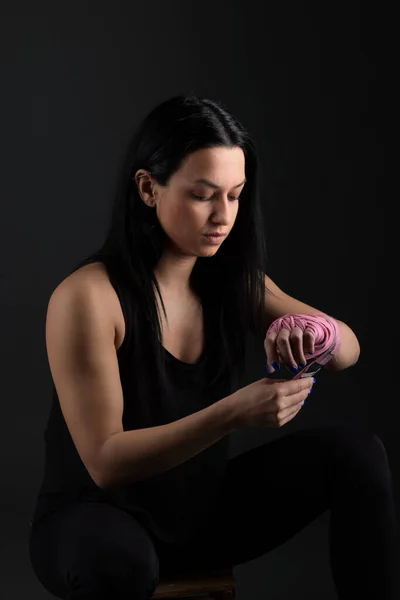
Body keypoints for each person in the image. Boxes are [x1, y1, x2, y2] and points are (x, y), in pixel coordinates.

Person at [28, 93, 398, 600]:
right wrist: (234, 412)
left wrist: (313, 334)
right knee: (120, 564)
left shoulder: (231, 280)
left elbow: (349, 349)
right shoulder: (88, 297)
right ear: (147, 188)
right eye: (203, 195)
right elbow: (106, 461)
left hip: (198, 512)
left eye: (236, 194)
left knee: (357, 454)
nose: (223, 216)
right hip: (96, 518)